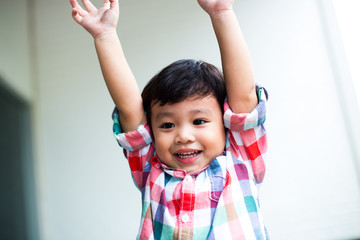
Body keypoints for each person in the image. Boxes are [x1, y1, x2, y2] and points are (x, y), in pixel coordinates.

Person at [70, 0, 269, 239]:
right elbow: (130, 109)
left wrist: (221, 12)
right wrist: (104, 36)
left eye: (199, 121)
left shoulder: (240, 157)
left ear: (225, 124)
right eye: (167, 125)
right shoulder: (149, 165)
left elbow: (243, 96)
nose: (183, 136)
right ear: (151, 131)